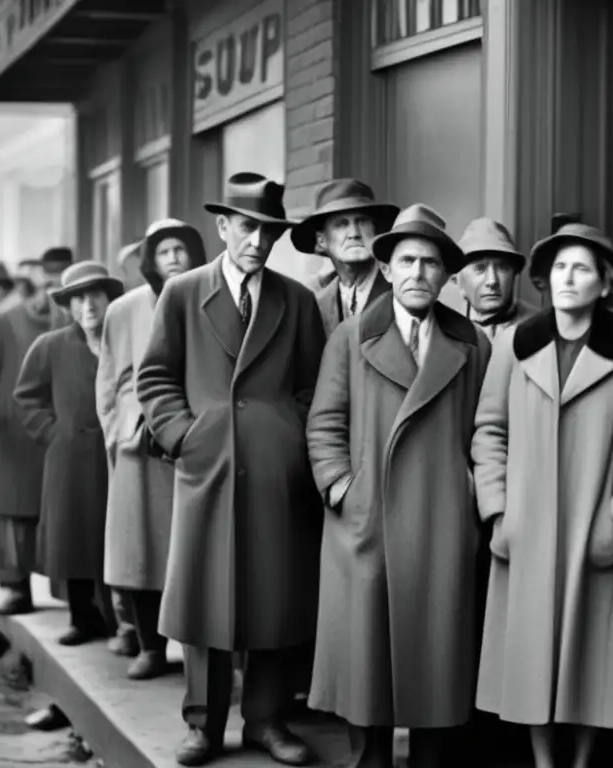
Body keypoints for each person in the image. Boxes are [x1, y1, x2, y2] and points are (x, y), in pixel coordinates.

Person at [137, 172, 326, 767]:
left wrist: (288, 439)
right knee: (205, 596)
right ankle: (203, 723)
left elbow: (313, 386)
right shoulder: (184, 293)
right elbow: (156, 377)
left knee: (274, 594)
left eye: (269, 232)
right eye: (247, 228)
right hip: (207, 466)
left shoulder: (294, 300)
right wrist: (184, 437)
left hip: (275, 471)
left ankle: (267, 721)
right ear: (222, 227)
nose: (258, 241)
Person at [472, 222, 613, 768]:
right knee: (530, 657)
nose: (566, 278)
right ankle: (541, 760)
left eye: (580, 268)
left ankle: (580, 761)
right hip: (525, 530)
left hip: (593, 528)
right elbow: (489, 431)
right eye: (558, 267)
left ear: (605, 284)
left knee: (590, 660)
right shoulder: (515, 343)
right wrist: (498, 513)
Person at [306, 204, 492, 768]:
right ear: (386, 269)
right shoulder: (351, 336)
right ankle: (371, 758)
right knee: (367, 665)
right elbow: (324, 423)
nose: (417, 272)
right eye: (406, 260)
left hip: (441, 522)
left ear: (445, 276)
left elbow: (487, 428)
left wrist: (469, 497)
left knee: (436, 660)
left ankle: (431, 755)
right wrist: (343, 489)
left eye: (430, 262)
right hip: (368, 522)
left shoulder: (472, 343)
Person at [98, 218, 207, 679]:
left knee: (197, 552)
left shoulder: (210, 301)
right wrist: (121, 429)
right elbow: (108, 378)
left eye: (182, 248)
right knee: (141, 552)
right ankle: (150, 648)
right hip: (139, 449)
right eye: (164, 251)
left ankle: (205, 657)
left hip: (196, 444)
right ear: (149, 260)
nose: (174, 257)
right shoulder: (123, 311)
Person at [0, 247, 72, 616]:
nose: (50, 293)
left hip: (61, 435)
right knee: (12, 514)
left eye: (59, 284)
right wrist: (4, 411)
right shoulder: (4, 323)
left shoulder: (77, 321)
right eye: (45, 284)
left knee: (67, 515)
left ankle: (76, 594)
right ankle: (16, 588)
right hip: (14, 439)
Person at [14, 262, 124, 645]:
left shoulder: (124, 341)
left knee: (117, 536)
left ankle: (124, 621)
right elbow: (26, 398)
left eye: (95, 294)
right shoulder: (50, 346)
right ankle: (83, 618)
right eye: (78, 298)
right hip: (70, 460)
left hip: (118, 457)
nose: (88, 305)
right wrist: (53, 432)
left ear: (110, 298)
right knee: (74, 537)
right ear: (68, 306)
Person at [290, 178, 398, 337]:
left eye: (361, 221)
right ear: (321, 241)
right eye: (341, 224)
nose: (354, 233)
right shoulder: (314, 301)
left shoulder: (400, 286)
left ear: (375, 231)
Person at [454, 217, 539, 341]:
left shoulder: (539, 327)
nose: (492, 281)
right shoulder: (443, 329)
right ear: (459, 279)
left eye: (502, 268)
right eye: (480, 269)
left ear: (514, 274)